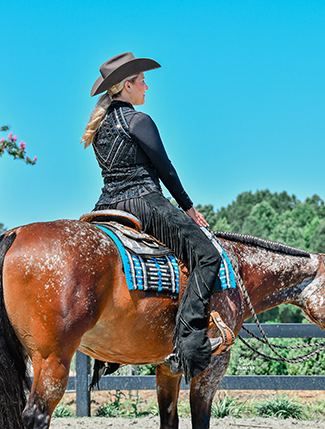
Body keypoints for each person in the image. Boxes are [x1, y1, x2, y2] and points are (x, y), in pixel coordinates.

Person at [81, 52, 223, 382]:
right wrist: (187, 206)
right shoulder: (138, 120)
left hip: (105, 208)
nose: (147, 86)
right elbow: (165, 168)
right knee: (207, 256)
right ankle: (189, 340)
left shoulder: (99, 127)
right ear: (127, 86)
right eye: (142, 81)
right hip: (144, 202)